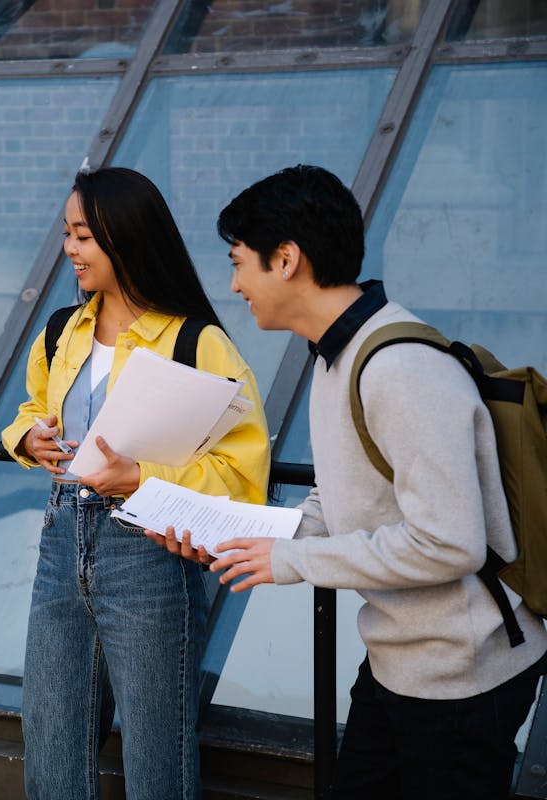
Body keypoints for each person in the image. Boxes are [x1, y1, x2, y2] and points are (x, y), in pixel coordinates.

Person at [170, 164, 546, 799]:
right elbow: (343, 497)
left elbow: (451, 543)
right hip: (401, 661)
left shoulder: (398, 370)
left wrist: (291, 559)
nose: (234, 285)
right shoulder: (333, 354)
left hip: (464, 675)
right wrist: (243, 539)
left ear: (286, 259)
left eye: (239, 263)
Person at [1, 167, 271, 800]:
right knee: (50, 752)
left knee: (158, 762)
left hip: (150, 552)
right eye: (67, 233)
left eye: (85, 236)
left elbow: (243, 474)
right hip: (60, 543)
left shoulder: (196, 341)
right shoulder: (62, 330)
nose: (70, 248)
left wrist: (140, 476)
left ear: (126, 239)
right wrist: (26, 438)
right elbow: (31, 408)